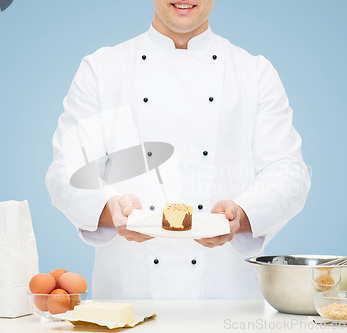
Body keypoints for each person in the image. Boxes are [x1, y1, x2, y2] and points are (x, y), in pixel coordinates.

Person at [46, 0, 311, 299]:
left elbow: (289, 174)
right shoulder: (101, 69)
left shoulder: (254, 73)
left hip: (225, 300)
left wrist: (242, 215)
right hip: (128, 301)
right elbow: (65, 171)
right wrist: (111, 210)